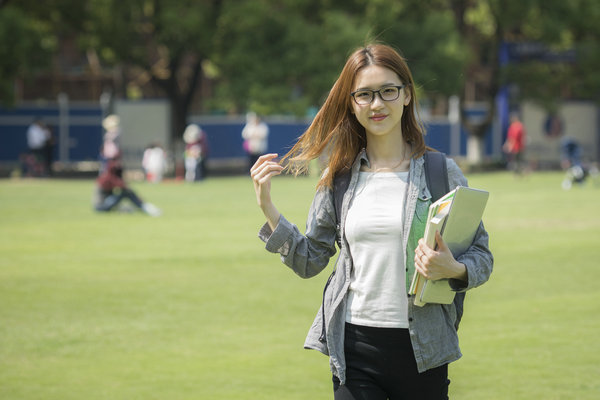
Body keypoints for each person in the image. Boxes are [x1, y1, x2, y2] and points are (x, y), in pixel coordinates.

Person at [250, 44, 493, 399]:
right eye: (364, 94)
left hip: (423, 350)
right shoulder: (339, 179)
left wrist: (453, 268)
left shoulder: (441, 173)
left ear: (407, 95)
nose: (377, 104)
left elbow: (482, 257)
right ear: (352, 103)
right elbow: (309, 260)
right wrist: (268, 208)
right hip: (354, 348)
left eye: (388, 91)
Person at [93, 151, 161, 216]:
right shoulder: (108, 177)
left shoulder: (108, 175)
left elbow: (122, 184)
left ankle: (143, 206)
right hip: (101, 207)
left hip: (105, 203)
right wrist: (138, 198)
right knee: (126, 193)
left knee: (126, 193)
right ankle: (144, 207)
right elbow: (123, 186)